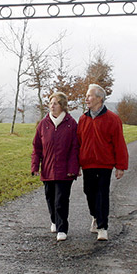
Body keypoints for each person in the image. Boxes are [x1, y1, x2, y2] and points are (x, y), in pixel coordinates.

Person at [77, 83, 128, 241]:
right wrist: (76, 164)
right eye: (87, 95)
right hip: (87, 164)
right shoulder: (83, 119)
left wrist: (121, 166)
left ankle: (103, 227)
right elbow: (78, 143)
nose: (86, 98)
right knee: (89, 192)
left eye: (90, 95)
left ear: (99, 98)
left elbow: (119, 143)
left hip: (105, 164)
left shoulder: (113, 119)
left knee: (102, 194)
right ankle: (95, 216)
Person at [31, 92, 79, 242]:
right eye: (51, 103)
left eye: (56, 103)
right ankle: (54, 220)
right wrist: (35, 166)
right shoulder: (43, 124)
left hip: (65, 171)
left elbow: (75, 148)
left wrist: (73, 169)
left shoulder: (71, 124)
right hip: (48, 168)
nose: (52, 106)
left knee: (61, 200)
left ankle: (62, 228)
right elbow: (37, 147)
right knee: (50, 197)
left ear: (62, 106)